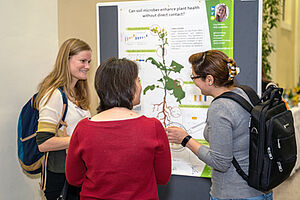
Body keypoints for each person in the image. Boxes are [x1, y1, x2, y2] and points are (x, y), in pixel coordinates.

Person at [166, 50, 273, 200]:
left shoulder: (220, 108)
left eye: (194, 77)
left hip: (234, 193)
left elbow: (220, 162)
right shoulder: (246, 93)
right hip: (260, 189)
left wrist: (185, 139)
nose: (193, 82)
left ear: (209, 79)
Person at [65, 57, 171, 200]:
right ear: (128, 87)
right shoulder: (153, 127)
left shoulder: (83, 128)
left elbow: (74, 179)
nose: (140, 86)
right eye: (138, 81)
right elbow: (162, 177)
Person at [35, 38, 92, 200]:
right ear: (66, 60)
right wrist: (82, 139)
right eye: (82, 61)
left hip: (77, 173)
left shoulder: (78, 94)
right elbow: (43, 143)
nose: (87, 66)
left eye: (89, 61)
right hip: (60, 177)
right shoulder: (54, 95)